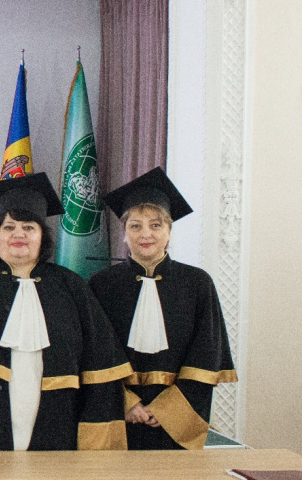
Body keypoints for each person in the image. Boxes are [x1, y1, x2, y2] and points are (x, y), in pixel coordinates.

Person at [0, 173, 130, 451]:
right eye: (9, 227)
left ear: (42, 236)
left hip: (56, 430)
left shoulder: (71, 286)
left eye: (29, 227)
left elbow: (101, 367)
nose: (18, 234)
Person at [89, 167, 237, 450]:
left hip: (177, 418)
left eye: (156, 225)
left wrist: (169, 409)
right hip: (117, 415)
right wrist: (126, 402)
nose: (146, 234)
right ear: (124, 233)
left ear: (169, 232)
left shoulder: (197, 283)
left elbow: (205, 354)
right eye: (135, 226)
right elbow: (94, 354)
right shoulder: (101, 285)